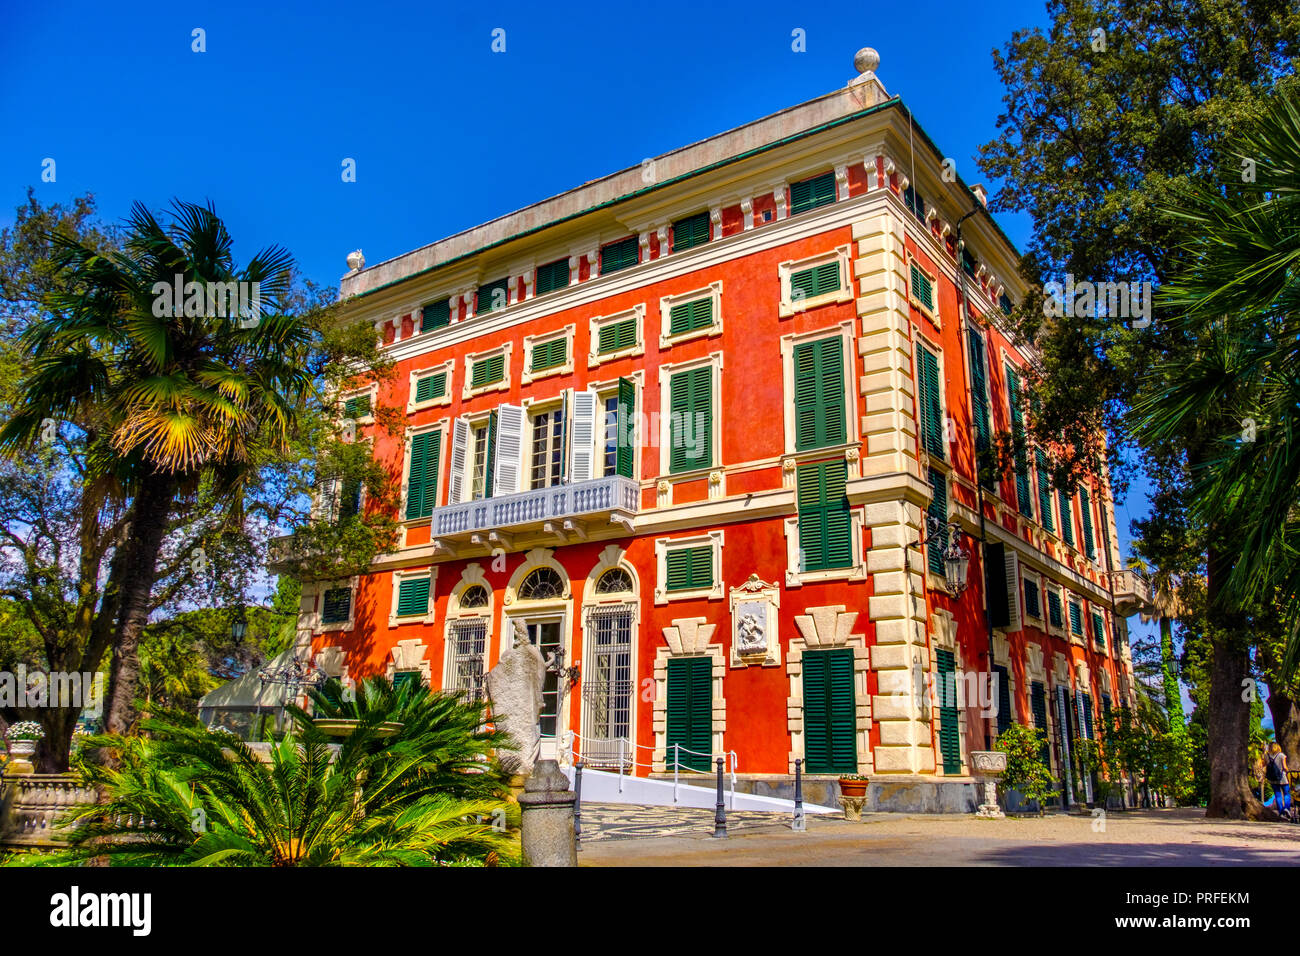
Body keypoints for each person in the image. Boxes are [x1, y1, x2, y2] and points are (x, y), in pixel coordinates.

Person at [1265, 743, 1293, 821]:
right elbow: (1284, 767)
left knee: (1278, 795)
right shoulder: (1281, 755)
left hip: (1273, 779)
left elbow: (1267, 765)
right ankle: (1286, 809)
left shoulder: (1266, 756)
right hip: (1282, 778)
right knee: (1287, 794)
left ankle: (1281, 812)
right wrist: (1288, 770)